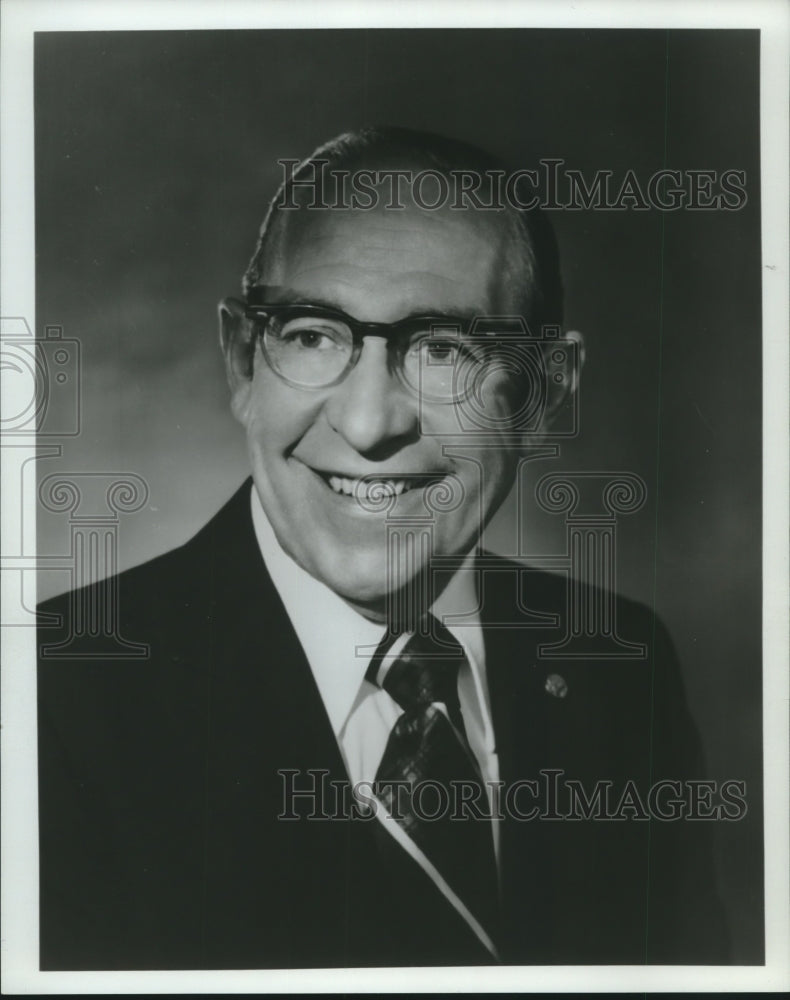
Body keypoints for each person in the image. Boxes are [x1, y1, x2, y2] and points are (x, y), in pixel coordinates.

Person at [37, 126, 729, 969]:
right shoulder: (53, 702)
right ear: (241, 363)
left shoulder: (623, 669)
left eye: (444, 350)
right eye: (313, 334)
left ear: (545, 392)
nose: (367, 425)